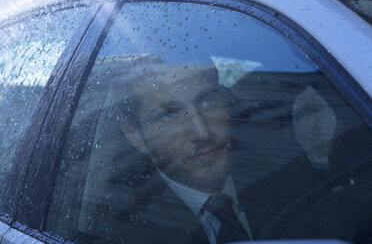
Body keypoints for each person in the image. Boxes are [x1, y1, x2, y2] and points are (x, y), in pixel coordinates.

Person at [76, 54, 372, 244]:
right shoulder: (119, 227)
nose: (202, 132)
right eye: (169, 114)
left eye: (207, 101)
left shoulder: (285, 176)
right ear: (135, 135)